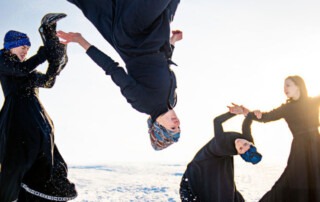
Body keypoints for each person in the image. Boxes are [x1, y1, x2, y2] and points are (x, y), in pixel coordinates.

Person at [57, 0, 182, 150]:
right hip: (156, 35)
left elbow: (112, 68)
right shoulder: (172, 100)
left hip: (133, 35)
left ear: (158, 127)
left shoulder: (142, 103)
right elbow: (164, 63)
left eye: (172, 129)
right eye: (179, 128)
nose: (177, 124)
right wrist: (172, 41)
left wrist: (81, 41)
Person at [0, 13, 77, 201]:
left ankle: (50, 34)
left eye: (28, 47)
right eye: (23, 46)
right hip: (17, 118)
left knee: (47, 162)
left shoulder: (27, 71)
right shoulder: (3, 61)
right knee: (18, 162)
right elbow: (21, 69)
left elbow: (48, 82)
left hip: (37, 118)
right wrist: (43, 53)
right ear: (10, 46)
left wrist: (55, 60)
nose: (26, 50)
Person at [231, 75, 320, 202]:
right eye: (284, 86)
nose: (285, 88)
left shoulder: (313, 102)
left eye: (288, 85)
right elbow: (266, 117)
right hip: (300, 149)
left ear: (298, 86)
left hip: (317, 145)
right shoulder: (286, 108)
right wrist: (245, 111)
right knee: (292, 181)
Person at [179, 105, 262, 202]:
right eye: (245, 144)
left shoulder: (221, 143)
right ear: (250, 143)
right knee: (223, 188)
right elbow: (246, 124)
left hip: (203, 163)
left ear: (238, 153)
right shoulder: (248, 140)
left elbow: (217, 121)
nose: (240, 143)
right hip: (216, 160)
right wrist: (250, 113)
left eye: (240, 148)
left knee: (221, 191)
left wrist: (232, 113)